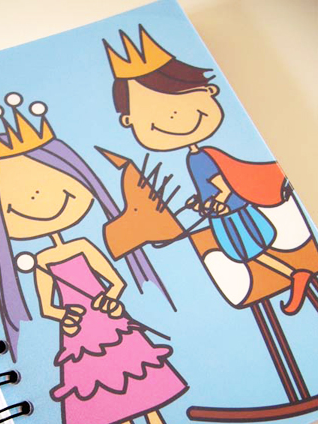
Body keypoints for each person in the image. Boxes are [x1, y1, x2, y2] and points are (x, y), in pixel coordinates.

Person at [0, 93, 192, 424]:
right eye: (13, 203)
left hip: (111, 324)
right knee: (103, 389)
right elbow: (47, 304)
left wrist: (111, 296)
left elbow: (113, 279)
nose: (36, 198)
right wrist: (62, 315)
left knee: (138, 378)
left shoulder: (83, 245)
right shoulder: (42, 260)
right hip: (80, 335)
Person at [104, 26, 316, 315]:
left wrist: (220, 200)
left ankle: (295, 275)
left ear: (210, 91)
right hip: (222, 214)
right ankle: (294, 275)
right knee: (244, 254)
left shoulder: (204, 156)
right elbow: (209, 186)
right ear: (129, 122)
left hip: (233, 212)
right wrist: (201, 202)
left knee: (247, 253)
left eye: (180, 99)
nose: (172, 116)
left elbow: (224, 182)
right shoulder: (194, 158)